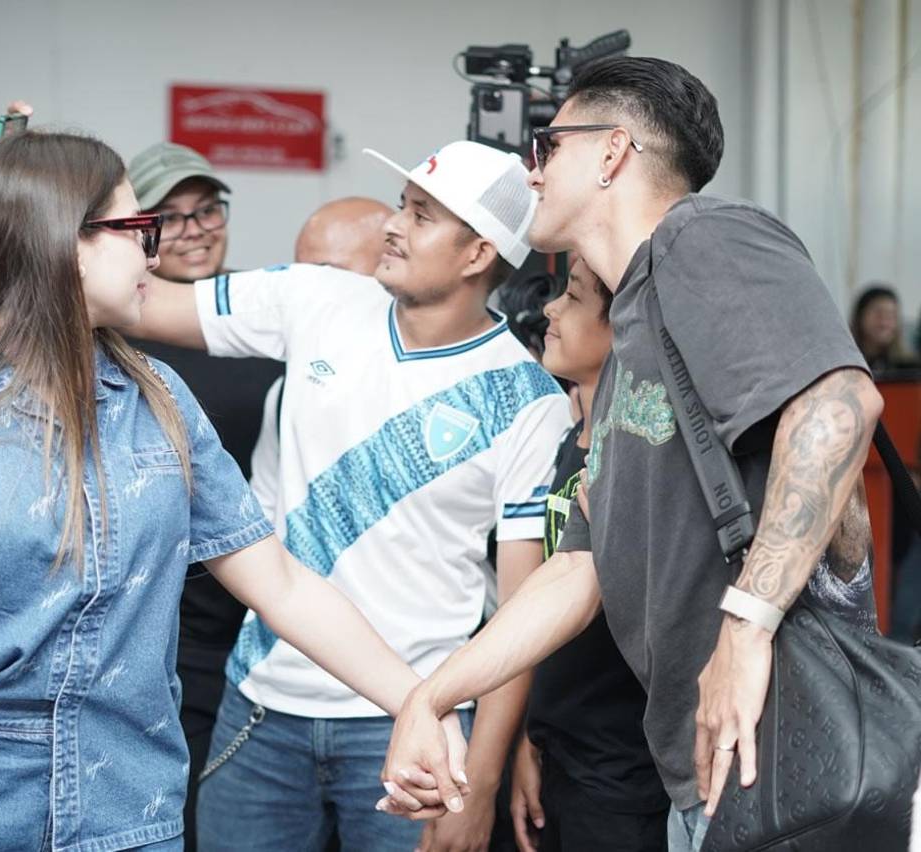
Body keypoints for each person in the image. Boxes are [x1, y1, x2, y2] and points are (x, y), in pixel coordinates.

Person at [0, 129, 468, 850]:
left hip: (127, 812)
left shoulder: (159, 402)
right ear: (65, 245)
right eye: (139, 230)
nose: (153, 252)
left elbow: (282, 582)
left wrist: (416, 700)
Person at [378, 56, 884, 852]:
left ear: (611, 153)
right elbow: (580, 571)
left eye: (547, 147)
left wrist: (745, 629)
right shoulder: (634, 343)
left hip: (787, 752)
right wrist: (433, 697)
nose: (529, 171)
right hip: (708, 769)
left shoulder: (702, 234)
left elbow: (840, 404)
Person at [128, 140, 573, 852]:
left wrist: (480, 781)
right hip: (261, 709)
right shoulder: (318, 298)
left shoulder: (528, 400)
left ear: (476, 253)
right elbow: (140, 302)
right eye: (403, 205)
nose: (394, 226)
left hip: (412, 725)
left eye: (422, 216)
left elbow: (519, 619)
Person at [127, 139, 283, 848]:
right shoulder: (118, 324)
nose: (194, 229)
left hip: (266, 595)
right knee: (180, 792)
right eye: (172, 216)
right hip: (170, 607)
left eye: (207, 210)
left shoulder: (263, 312)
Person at [509, 257, 669, 852]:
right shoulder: (566, 443)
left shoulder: (640, 461)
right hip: (562, 752)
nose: (550, 309)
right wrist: (530, 739)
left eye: (572, 298)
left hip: (624, 772)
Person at [249, 195, 393, 521]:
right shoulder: (288, 391)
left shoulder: (442, 386)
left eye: (328, 275)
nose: (307, 293)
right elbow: (264, 513)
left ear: (391, 268)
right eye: (298, 276)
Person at [850, 284, 917, 374]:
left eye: (891, 315)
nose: (884, 323)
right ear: (860, 317)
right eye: (878, 314)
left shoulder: (910, 368)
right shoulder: (845, 365)